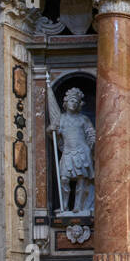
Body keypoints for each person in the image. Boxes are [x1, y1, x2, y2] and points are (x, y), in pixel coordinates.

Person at [48, 85, 96, 215]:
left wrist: (91, 147)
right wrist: (51, 130)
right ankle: (64, 206)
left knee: (81, 180)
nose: (73, 104)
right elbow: (53, 133)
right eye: (71, 101)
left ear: (79, 104)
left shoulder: (83, 119)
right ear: (66, 102)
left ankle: (78, 207)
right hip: (68, 152)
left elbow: (91, 134)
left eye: (76, 101)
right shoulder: (61, 119)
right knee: (64, 179)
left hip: (82, 152)